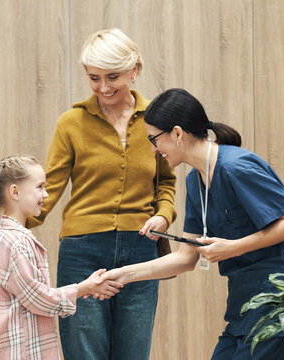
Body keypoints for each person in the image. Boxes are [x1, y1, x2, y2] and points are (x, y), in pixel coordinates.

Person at [100, 88, 284, 360]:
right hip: (243, 306)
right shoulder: (194, 181)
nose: (154, 149)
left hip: (279, 302)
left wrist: (234, 247)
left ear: (177, 133)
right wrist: (124, 275)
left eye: (154, 139)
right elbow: (187, 258)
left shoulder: (237, 166)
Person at [25, 29, 177, 360]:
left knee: (133, 353)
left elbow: (166, 180)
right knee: (84, 352)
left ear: (134, 70)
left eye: (113, 77)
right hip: (82, 251)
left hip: (141, 249)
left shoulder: (157, 120)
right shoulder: (71, 123)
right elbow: (48, 188)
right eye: (94, 78)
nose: (104, 87)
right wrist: (13, 224)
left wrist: (164, 215)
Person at [0, 155, 123, 360]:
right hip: (21, 352)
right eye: (39, 187)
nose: (46, 194)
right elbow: (39, 299)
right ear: (15, 192)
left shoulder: (4, 236)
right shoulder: (15, 243)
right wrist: (86, 287)